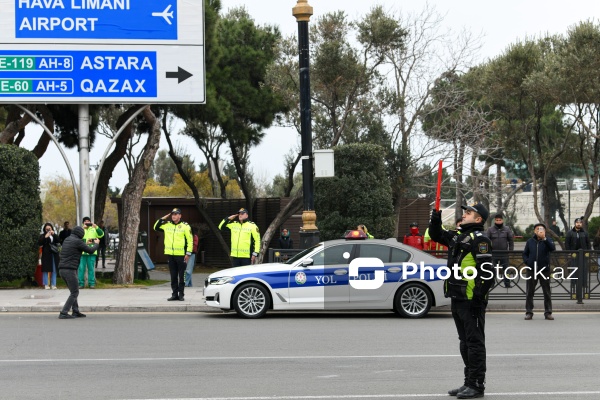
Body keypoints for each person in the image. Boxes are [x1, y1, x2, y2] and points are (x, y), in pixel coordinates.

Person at [429, 203, 493, 399]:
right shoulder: (459, 236)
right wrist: (436, 218)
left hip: (471, 299)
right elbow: (436, 235)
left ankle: (477, 384)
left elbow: (487, 274)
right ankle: (468, 382)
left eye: (468, 213)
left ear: (478, 219)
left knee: (474, 342)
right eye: (465, 212)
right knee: (465, 342)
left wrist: (478, 299)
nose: (464, 215)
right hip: (457, 296)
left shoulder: (480, 240)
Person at [58, 225, 99, 319]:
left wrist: (85, 243)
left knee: (73, 291)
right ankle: (64, 313)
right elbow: (91, 251)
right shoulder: (78, 241)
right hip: (70, 270)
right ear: (81, 234)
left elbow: (77, 246)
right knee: (75, 292)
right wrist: (96, 243)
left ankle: (75, 311)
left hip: (62, 270)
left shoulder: (67, 239)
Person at [154, 208, 193, 300]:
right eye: (172, 214)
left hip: (181, 255)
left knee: (181, 276)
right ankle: (174, 294)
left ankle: (181, 294)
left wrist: (188, 253)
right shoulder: (167, 225)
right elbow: (155, 227)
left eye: (176, 214)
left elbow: (190, 241)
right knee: (173, 275)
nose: (174, 216)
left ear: (180, 216)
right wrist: (163, 218)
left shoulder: (185, 226)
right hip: (170, 255)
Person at [523, 223, 556, 320]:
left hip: (544, 270)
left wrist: (544, 239)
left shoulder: (548, 240)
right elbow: (525, 253)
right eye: (537, 229)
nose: (539, 231)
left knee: (546, 292)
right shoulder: (530, 241)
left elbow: (552, 248)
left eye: (541, 229)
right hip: (532, 270)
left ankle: (548, 312)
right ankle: (529, 312)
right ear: (534, 231)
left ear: (545, 231)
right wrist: (528, 262)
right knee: (530, 291)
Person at [485, 213, 514, 288]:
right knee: (491, 269)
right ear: (495, 220)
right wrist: (487, 251)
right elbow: (486, 241)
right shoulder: (490, 229)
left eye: (500, 220)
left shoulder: (507, 229)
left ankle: (507, 283)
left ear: (502, 220)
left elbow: (511, 240)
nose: (498, 221)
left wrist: (511, 251)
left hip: (504, 253)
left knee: (506, 269)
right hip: (493, 253)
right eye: (497, 220)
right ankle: (491, 283)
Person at [565, 217, 591, 293]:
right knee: (574, 269)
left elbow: (588, 243)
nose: (579, 224)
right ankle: (573, 283)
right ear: (575, 223)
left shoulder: (585, 233)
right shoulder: (570, 233)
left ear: (581, 224)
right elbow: (567, 243)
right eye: (577, 223)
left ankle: (584, 283)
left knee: (584, 269)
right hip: (574, 254)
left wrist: (588, 252)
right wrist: (569, 252)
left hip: (583, 254)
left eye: (580, 223)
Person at [78, 217, 104, 289]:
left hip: (91, 251)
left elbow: (101, 234)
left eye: (88, 221)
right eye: (85, 222)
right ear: (83, 223)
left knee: (91, 268)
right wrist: (83, 228)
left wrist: (97, 227)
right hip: (82, 252)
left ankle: (91, 283)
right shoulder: (81, 229)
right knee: (81, 268)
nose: (87, 223)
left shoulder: (94, 229)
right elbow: (77, 239)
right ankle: (81, 283)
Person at [38, 223, 60, 290]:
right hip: (46, 254)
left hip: (53, 254)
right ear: (44, 229)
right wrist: (45, 237)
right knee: (45, 269)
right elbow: (40, 243)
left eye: (49, 229)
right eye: (47, 229)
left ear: (52, 228)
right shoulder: (43, 235)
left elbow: (58, 241)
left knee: (54, 269)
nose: (48, 230)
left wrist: (54, 234)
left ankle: (53, 284)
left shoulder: (53, 235)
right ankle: (46, 284)